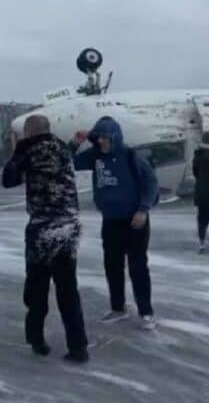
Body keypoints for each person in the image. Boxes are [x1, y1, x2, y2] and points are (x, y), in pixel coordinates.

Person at [2, 115, 89, 363]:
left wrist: (16, 147)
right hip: (69, 227)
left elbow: (8, 179)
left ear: (28, 132)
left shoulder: (27, 149)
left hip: (43, 230)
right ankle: (78, 347)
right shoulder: (61, 147)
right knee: (68, 290)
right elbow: (61, 160)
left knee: (37, 288)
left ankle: (36, 339)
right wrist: (74, 143)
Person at [70, 116, 159, 330]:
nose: (101, 141)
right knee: (112, 265)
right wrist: (75, 143)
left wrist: (143, 210)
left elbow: (151, 183)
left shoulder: (131, 156)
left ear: (115, 137)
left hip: (134, 220)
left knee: (137, 266)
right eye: (97, 137)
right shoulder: (95, 156)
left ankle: (146, 312)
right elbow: (70, 162)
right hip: (110, 220)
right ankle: (118, 307)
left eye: (104, 137)